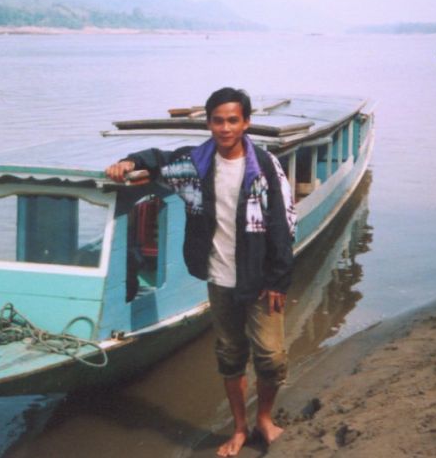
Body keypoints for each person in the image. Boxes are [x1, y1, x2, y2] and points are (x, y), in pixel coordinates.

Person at [105, 87, 295, 456]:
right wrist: (129, 161)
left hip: (260, 280)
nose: (225, 128)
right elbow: (159, 160)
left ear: (246, 122)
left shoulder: (265, 167)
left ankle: (265, 419)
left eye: (233, 120)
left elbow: (284, 224)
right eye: (218, 121)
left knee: (270, 356)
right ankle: (239, 428)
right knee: (229, 353)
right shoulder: (195, 164)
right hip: (219, 278)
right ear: (208, 123)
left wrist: (278, 279)